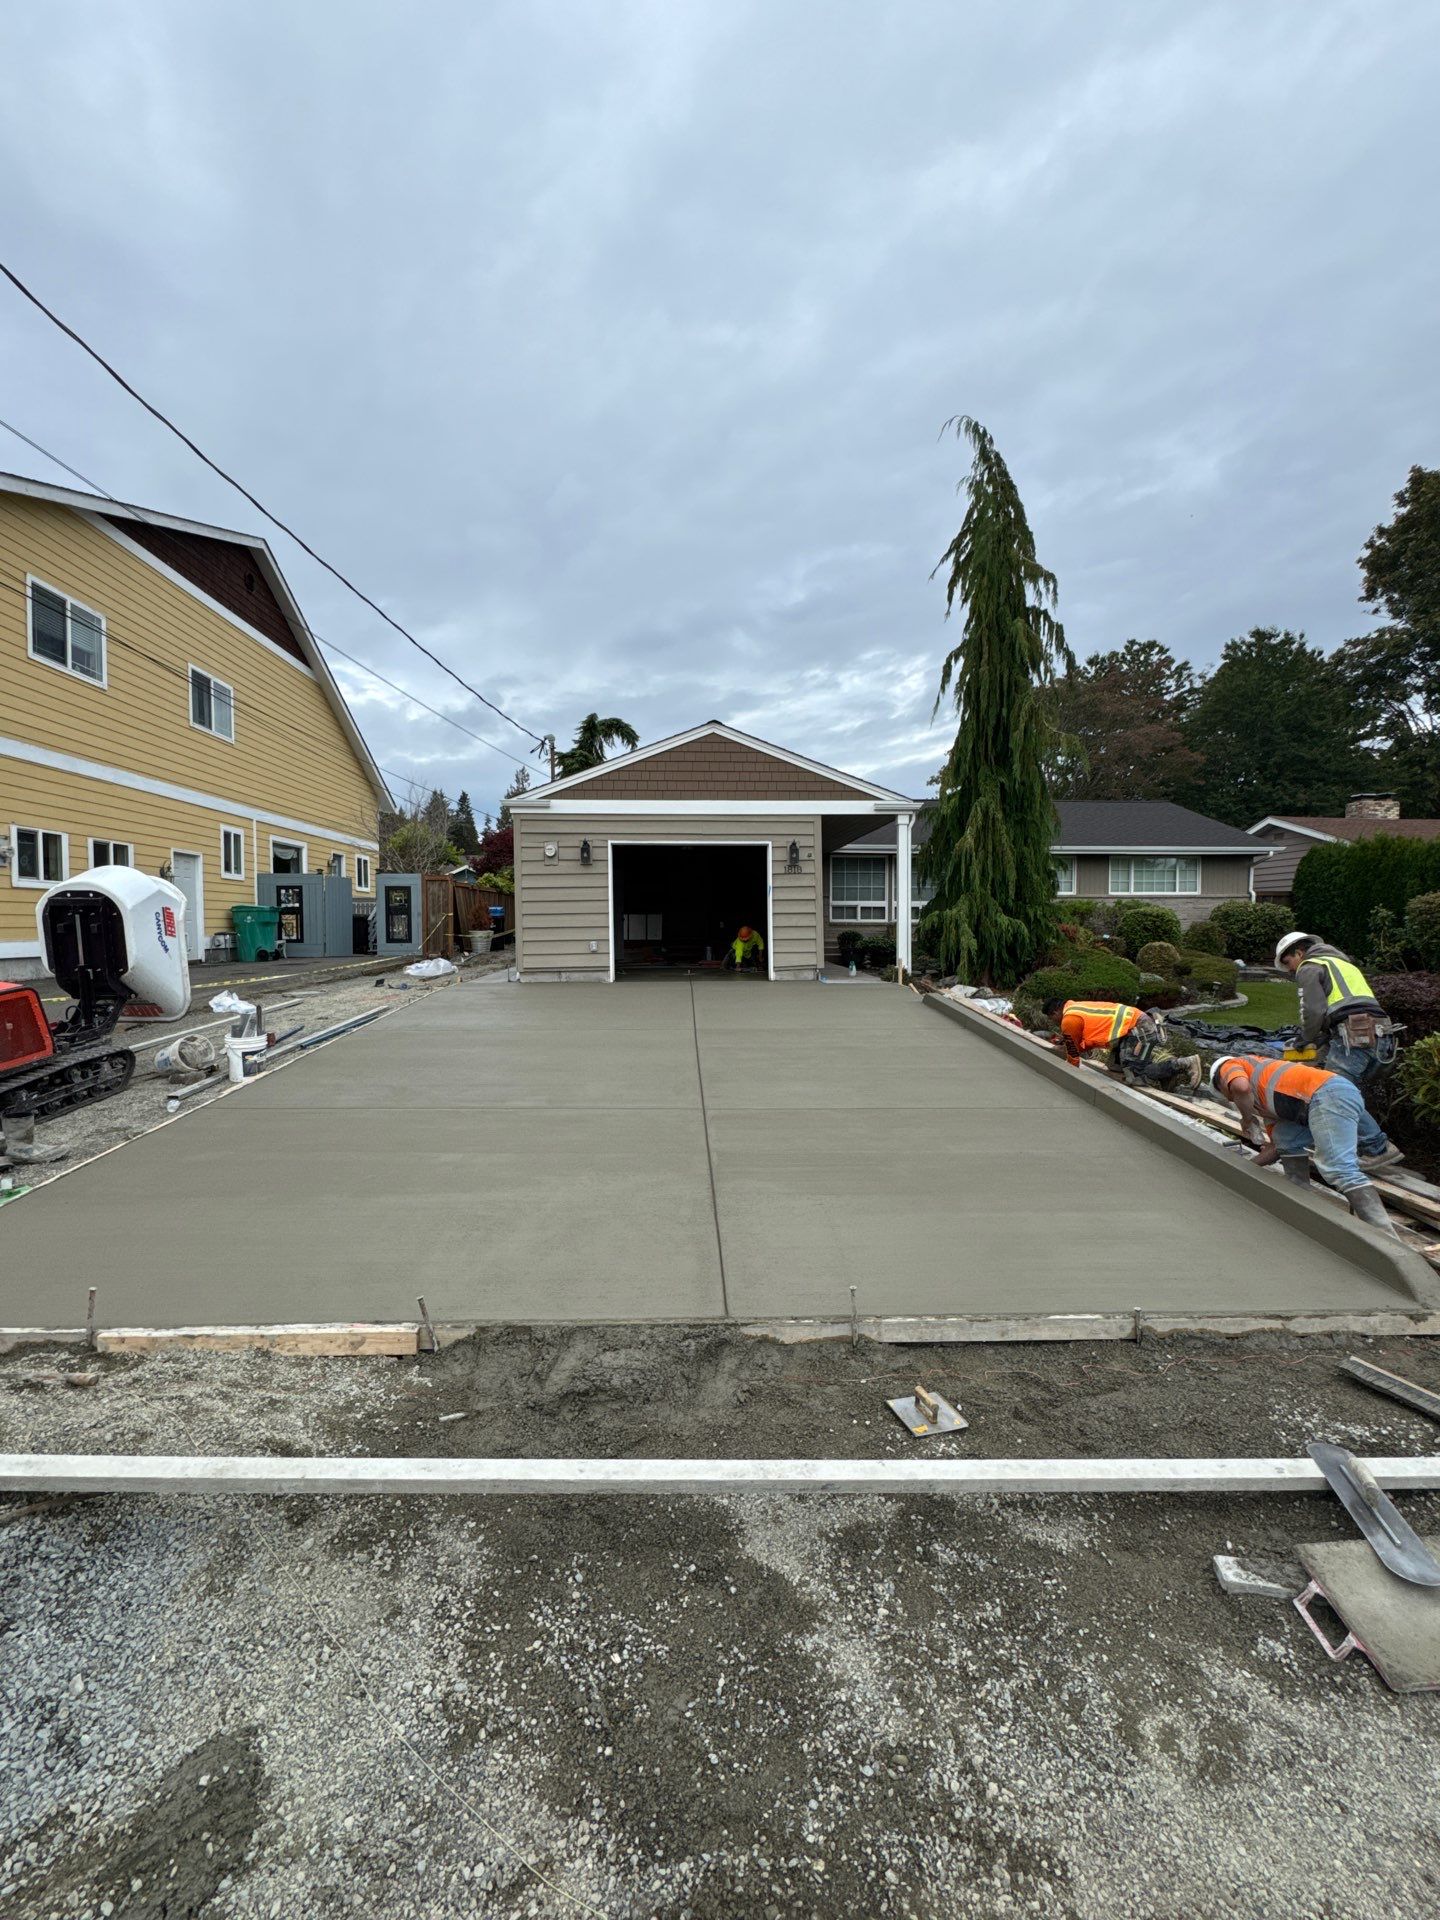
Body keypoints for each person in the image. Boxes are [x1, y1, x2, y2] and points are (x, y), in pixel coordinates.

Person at [1209, 1053, 1401, 1233]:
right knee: (1287, 1141)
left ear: (1221, 1084)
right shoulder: (1270, 1101)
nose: (1236, 1100)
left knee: (1338, 1168)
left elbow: (1241, 1088)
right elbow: (1278, 1148)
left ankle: (1385, 1237)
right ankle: (1300, 1201)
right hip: (1321, 1098)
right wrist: (1243, 1167)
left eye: (1231, 1098)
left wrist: (1247, 1119)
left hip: (1328, 1094)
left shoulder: (1230, 1065)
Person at [1274, 931, 1397, 1090]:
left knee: (1334, 1095)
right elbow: (1349, 1006)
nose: (1289, 969)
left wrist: (1305, 1038)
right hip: (1383, 1037)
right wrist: (1323, 1037)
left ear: (1299, 953)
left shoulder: (1309, 967)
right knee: (1355, 1098)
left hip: (1355, 1039)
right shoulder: (1345, 966)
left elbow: (1314, 1010)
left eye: (1288, 962)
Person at [1041, 997, 1202, 1090]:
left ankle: (1184, 1063)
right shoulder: (1076, 1008)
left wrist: (1065, 1079)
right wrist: (1072, 1048)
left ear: (1055, 1012)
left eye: (1051, 1018)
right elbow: (1090, 1042)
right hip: (1134, 1029)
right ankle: (1164, 1076)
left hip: (1140, 1031)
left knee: (1135, 1078)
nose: (1053, 1022)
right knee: (1115, 1067)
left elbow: (1073, 1058)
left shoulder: (1069, 1020)